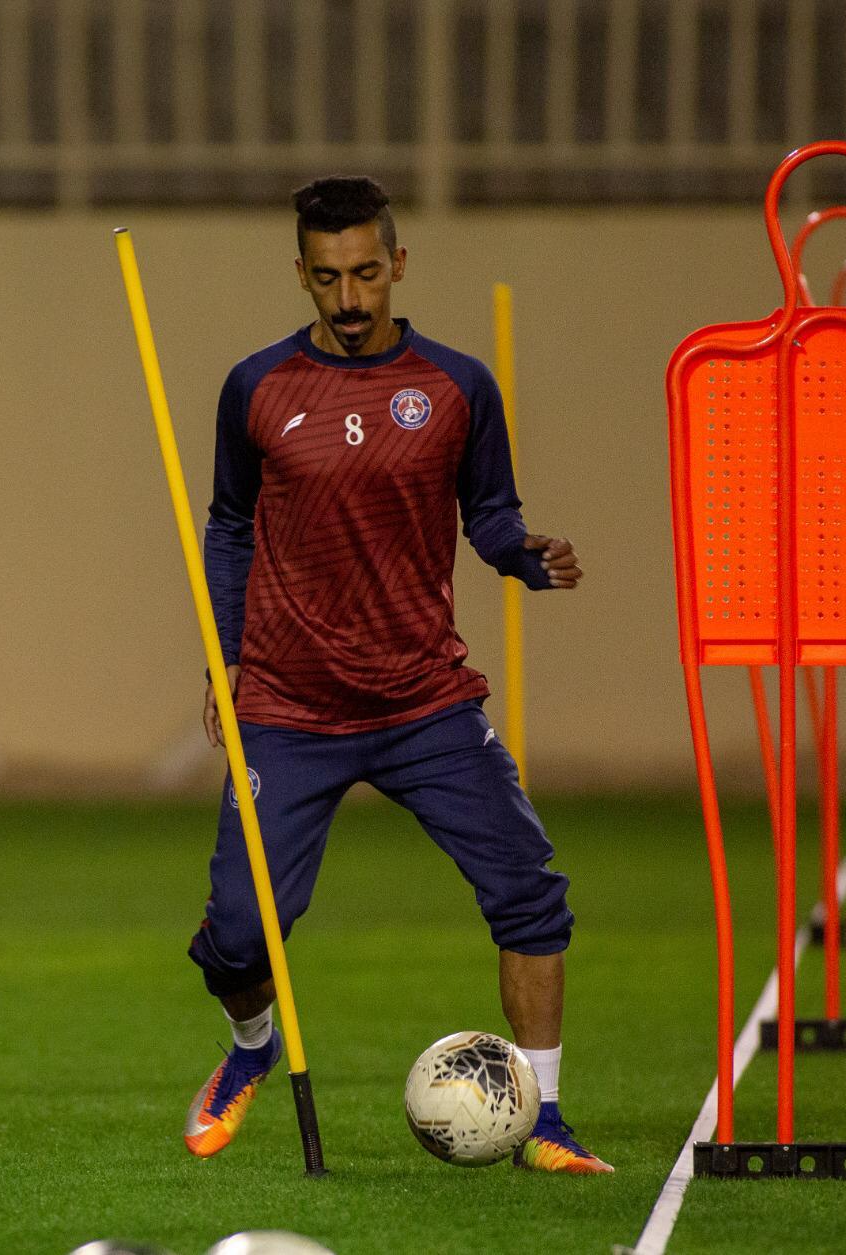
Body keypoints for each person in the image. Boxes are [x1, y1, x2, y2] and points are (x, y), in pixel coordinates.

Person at [182, 175, 611, 1175]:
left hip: (425, 702)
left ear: (397, 265)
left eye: (366, 272)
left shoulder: (457, 385)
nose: (348, 296)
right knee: (240, 938)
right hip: (288, 706)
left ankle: (540, 1117)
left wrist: (519, 556)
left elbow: (489, 512)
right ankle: (251, 1052)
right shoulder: (256, 387)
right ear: (301, 273)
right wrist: (225, 654)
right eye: (327, 276)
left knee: (531, 897)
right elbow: (230, 524)